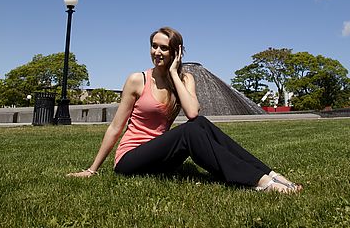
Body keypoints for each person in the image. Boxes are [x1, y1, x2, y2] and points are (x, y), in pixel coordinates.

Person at [67, 26, 302, 193]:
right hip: (132, 159)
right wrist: (92, 169)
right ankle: (259, 182)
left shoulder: (185, 79)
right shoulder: (137, 80)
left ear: (175, 53)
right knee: (191, 131)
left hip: (162, 159)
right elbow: (116, 127)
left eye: (164, 48)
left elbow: (192, 112)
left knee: (199, 125)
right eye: (153, 46)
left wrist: (173, 74)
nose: (157, 52)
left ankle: (269, 173)